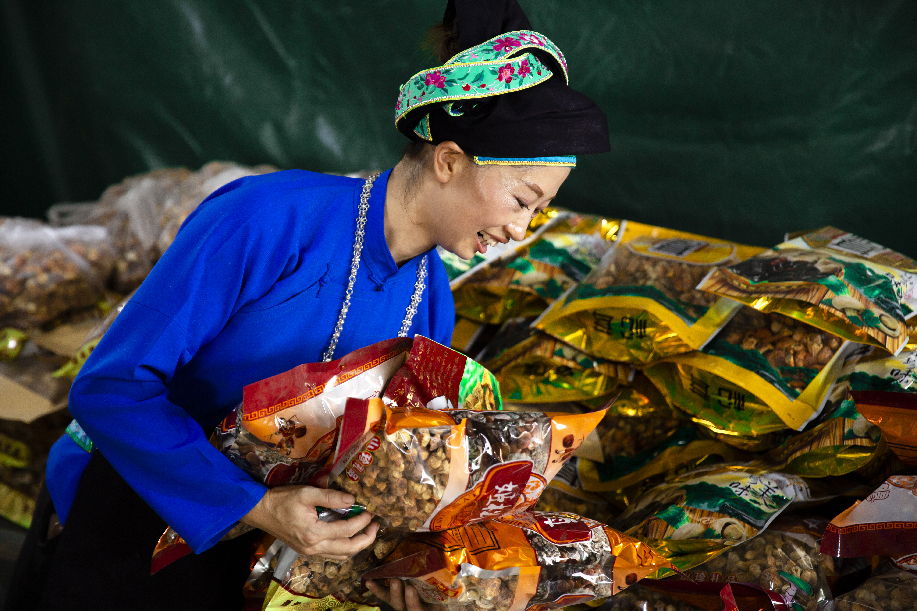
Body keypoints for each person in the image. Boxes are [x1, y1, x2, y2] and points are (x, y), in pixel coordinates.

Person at [5, 0, 609, 609]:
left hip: (251, 560)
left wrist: (407, 570)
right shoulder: (267, 219)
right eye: (522, 200)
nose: (519, 229)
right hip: (128, 515)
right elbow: (111, 387)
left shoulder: (431, 307)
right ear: (449, 160)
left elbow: (392, 473)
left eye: (538, 211)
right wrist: (257, 505)